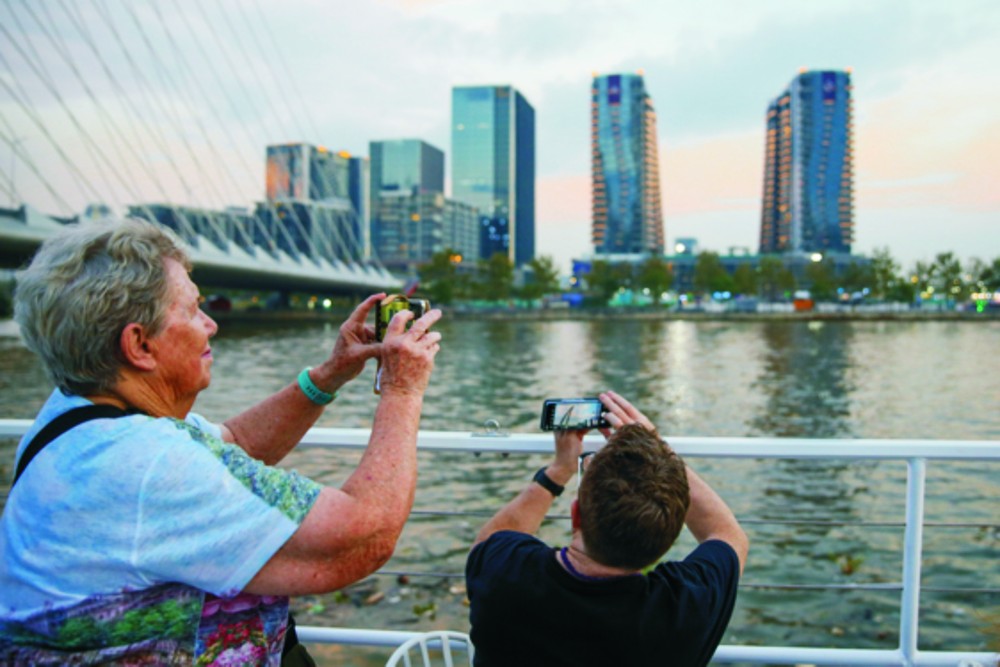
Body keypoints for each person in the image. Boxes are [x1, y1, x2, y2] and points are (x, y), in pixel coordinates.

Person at [0, 218, 442, 665]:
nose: (211, 324)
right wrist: (402, 388)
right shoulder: (144, 464)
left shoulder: (77, 418)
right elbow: (358, 538)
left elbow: (234, 441)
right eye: (193, 310)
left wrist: (328, 377)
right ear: (140, 345)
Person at [466, 391, 749, 667]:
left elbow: (488, 541)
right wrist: (659, 451)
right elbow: (727, 535)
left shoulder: (504, 574)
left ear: (575, 514)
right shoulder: (683, 611)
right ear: (668, 538)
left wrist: (558, 471)